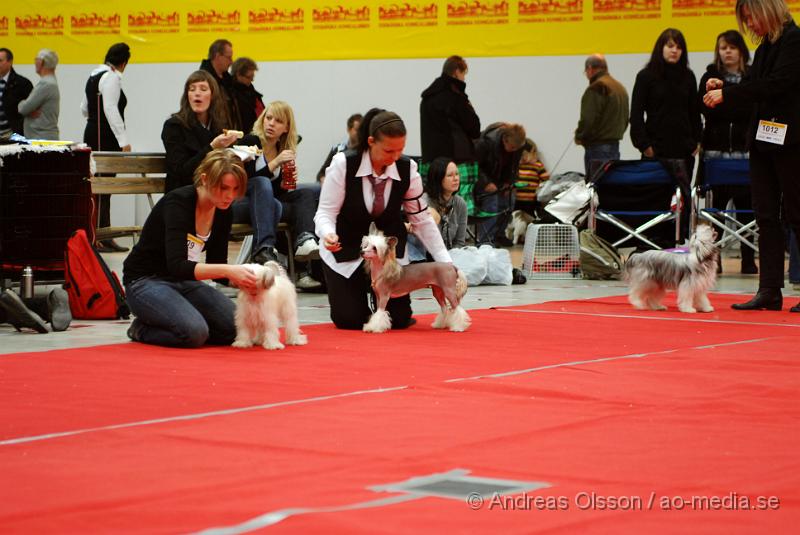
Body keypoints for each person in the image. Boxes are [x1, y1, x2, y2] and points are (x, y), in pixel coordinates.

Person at [314, 108, 452, 329]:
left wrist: (445, 262)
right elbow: (325, 212)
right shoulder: (343, 164)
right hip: (347, 249)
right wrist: (328, 233)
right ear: (371, 142)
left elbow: (422, 220)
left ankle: (380, 301)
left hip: (389, 257)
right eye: (389, 150)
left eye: (401, 150)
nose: (395, 157)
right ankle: (362, 295)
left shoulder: (408, 169)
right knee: (349, 319)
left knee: (399, 320)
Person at [703, 0, 800, 312]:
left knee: (797, 214)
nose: (751, 27)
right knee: (765, 215)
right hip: (761, 142)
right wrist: (725, 87)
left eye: (752, 19)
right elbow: (753, 86)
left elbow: (776, 85)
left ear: (767, 11)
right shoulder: (765, 47)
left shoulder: (794, 41)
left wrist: (730, 93)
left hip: (792, 141)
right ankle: (769, 289)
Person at [122, 149, 257, 348]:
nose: (230, 196)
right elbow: (178, 265)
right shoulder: (178, 203)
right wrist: (230, 270)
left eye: (235, 189)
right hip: (145, 281)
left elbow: (216, 268)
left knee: (237, 328)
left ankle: (176, 319)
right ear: (204, 179)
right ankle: (140, 329)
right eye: (223, 188)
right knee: (194, 333)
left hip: (184, 281)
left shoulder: (223, 211)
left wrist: (248, 280)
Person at [160, 70, 283, 269]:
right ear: (186, 95)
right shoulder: (174, 126)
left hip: (217, 198)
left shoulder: (219, 127)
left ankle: (262, 252)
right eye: (192, 89)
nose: (197, 94)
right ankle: (260, 255)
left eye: (202, 89)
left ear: (213, 95)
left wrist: (239, 157)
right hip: (188, 197)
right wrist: (213, 147)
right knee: (271, 205)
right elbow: (181, 171)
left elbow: (226, 170)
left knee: (271, 200)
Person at [241, 101, 322, 289]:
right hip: (247, 202)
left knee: (305, 195)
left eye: (278, 121)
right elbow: (247, 181)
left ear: (286, 127)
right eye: (268, 118)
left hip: (271, 204)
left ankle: (305, 241)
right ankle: (269, 252)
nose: (271, 123)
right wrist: (276, 163)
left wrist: (287, 180)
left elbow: (278, 192)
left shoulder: (283, 147)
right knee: (264, 187)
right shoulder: (250, 142)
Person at [630, 28, 702, 243]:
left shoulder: (688, 76)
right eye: (670, 46)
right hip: (655, 150)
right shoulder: (645, 76)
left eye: (679, 47)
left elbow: (694, 112)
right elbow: (635, 115)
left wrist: (696, 141)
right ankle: (652, 242)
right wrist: (644, 145)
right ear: (660, 48)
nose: (675, 50)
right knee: (655, 197)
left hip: (683, 150)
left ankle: (680, 242)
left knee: (683, 199)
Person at [698, 29, 757, 274]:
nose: (728, 51)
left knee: (748, 210)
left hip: (745, 153)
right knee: (717, 212)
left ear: (741, 50)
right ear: (718, 52)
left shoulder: (753, 77)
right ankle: (715, 258)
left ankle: (748, 258)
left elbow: (752, 109)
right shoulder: (709, 77)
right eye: (723, 48)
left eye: (732, 47)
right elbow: (705, 108)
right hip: (716, 153)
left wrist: (727, 98)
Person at [81, 42, 132, 253]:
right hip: (105, 137)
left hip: (93, 132)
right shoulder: (111, 77)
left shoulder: (93, 75)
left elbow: (84, 108)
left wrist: (94, 121)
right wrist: (123, 140)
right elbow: (110, 109)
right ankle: (101, 237)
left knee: (100, 188)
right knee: (105, 188)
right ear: (124, 62)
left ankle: (101, 235)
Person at [574, 54, 630, 178]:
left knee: (595, 188)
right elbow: (626, 120)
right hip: (615, 147)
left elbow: (588, 120)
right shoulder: (620, 88)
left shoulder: (597, 87)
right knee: (610, 187)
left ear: (590, 68)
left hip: (597, 149)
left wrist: (580, 136)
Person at [474, 122, 527, 246]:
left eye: (517, 148)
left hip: (500, 180)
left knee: (509, 200)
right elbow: (474, 166)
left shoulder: (518, 146)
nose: (514, 150)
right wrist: (486, 183)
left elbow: (514, 167)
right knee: (492, 202)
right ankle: (485, 240)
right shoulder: (485, 143)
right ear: (505, 139)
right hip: (481, 181)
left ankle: (499, 235)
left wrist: (510, 183)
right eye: (512, 147)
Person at [17, 49, 59, 140]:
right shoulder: (50, 82)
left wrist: (21, 104)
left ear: (41, 62)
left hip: (41, 139)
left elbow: (23, 108)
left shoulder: (46, 84)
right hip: (42, 138)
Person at [199, 39, 239, 130]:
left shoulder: (229, 81)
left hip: (228, 134)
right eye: (229, 57)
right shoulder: (203, 81)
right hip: (212, 135)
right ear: (217, 56)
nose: (231, 62)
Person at [316, 113, 362, 182]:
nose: (361, 133)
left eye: (363, 130)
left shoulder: (367, 151)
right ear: (348, 129)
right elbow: (321, 173)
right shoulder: (338, 149)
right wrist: (325, 183)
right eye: (357, 130)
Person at [0, 47, 33, 137]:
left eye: (0, 61)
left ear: (10, 62)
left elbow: (32, 110)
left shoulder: (22, 84)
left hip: (12, 135)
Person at [515, 139, 550, 216]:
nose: (523, 158)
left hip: (531, 200)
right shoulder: (515, 166)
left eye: (525, 155)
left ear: (533, 153)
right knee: (516, 217)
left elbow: (545, 179)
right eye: (520, 155)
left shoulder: (537, 165)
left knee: (530, 216)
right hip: (516, 199)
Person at [229, 56, 264, 134]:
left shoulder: (251, 92)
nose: (252, 80)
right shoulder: (230, 94)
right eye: (249, 77)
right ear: (238, 74)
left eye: (252, 77)